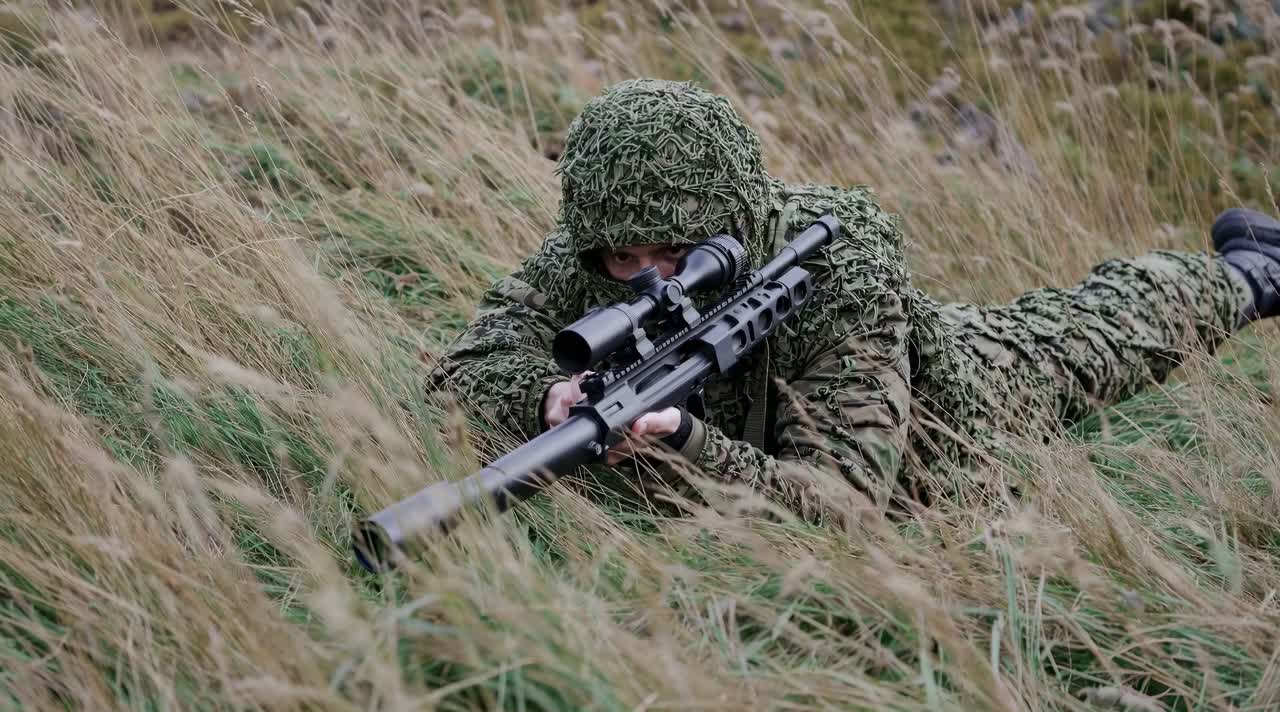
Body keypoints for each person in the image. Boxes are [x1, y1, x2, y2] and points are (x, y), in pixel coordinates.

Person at [426, 78, 1280, 525]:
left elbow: (842, 501)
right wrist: (545, 396)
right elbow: (463, 369)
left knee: (1093, 329)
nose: (648, 275)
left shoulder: (837, 268)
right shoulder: (604, 244)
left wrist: (686, 446)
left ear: (732, 222)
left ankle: (1246, 276)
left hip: (942, 422)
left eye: (675, 255)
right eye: (625, 257)